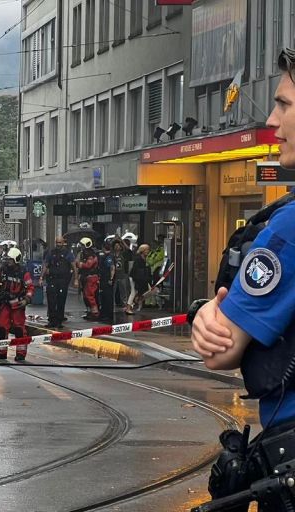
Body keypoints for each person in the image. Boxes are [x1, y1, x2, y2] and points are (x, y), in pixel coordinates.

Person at [191, 48, 295, 510]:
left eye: (286, 104)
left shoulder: (289, 229)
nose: (273, 121)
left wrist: (210, 312)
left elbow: (221, 350)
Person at [0, 247, 34, 361]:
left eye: (10, 260)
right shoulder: (2, 270)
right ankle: (1, 352)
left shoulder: (23, 273)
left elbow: (30, 288)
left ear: (16, 259)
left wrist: (26, 299)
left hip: (18, 304)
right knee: (1, 327)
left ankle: (21, 353)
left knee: (19, 329)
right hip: (5, 303)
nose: (8, 262)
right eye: (7, 259)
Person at [42, 236, 75, 329]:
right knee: (51, 301)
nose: (58, 245)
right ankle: (52, 320)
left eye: (60, 243)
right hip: (52, 279)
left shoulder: (68, 253)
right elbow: (46, 265)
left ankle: (59, 321)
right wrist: (41, 277)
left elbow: (73, 265)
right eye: (57, 243)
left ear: (63, 243)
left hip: (62, 280)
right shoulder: (51, 253)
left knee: (61, 301)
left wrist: (76, 278)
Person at [75, 237, 100, 320]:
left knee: (90, 295)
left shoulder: (91, 255)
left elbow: (88, 265)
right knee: (86, 296)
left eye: (82, 245)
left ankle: (95, 313)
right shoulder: (83, 253)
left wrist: (80, 264)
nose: (80, 246)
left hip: (91, 277)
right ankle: (90, 312)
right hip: (86, 277)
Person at [125, 244, 151, 314]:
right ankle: (128, 308)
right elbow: (136, 270)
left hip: (139, 278)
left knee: (146, 291)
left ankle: (134, 302)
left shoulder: (143, 258)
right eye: (147, 250)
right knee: (133, 292)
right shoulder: (139, 259)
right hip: (135, 277)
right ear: (143, 251)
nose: (148, 251)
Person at [97, 237, 117, 323]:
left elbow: (112, 268)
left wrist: (111, 278)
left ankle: (108, 315)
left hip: (107, 279)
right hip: (103, 278)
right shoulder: (105, 256)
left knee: (108, 297)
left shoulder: (109, 257)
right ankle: (104, 313)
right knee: (103, 296)